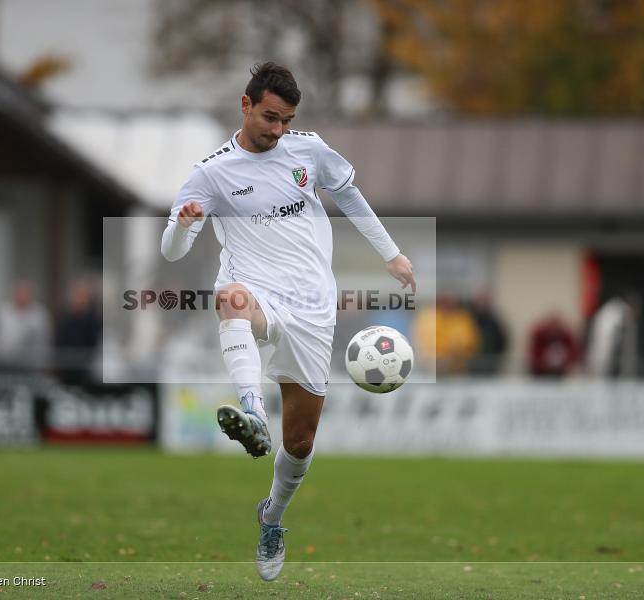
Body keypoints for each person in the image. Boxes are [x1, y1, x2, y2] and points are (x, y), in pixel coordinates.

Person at [160, 62, 415, 581]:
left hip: (314, 307)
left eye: (286, 120)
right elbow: (170, 250)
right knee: (229, 299)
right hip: (255, 290)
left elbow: (348, 195)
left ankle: (271, 517)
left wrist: (391, 254)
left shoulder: (308, 149)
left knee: (299, 442)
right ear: (246, 104)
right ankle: (252, 411)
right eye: (270, 117)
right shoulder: (212, 172)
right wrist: (184, 228)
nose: (277, 130)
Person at [0, 280, 52, 370]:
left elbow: (44, 339)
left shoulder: (39, 314)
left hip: (30, 367)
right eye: (19, 292)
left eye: (25, 293)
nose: (22, 296)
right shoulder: (3, 311)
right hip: (4, 364)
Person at [467, 291, 508, 375]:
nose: (482, 304)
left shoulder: (494, 321)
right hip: (470, 365)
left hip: (490, 364)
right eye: (480, 301)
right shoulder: (468, 319)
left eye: (484, 301)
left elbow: (502, 341)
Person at [528, 312, 578, 377]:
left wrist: (564, 362)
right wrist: (544, 362)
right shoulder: (540, 335)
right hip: (540, 372)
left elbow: (573, 353)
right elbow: (534, 353)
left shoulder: (565, 336)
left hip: (561, 371)